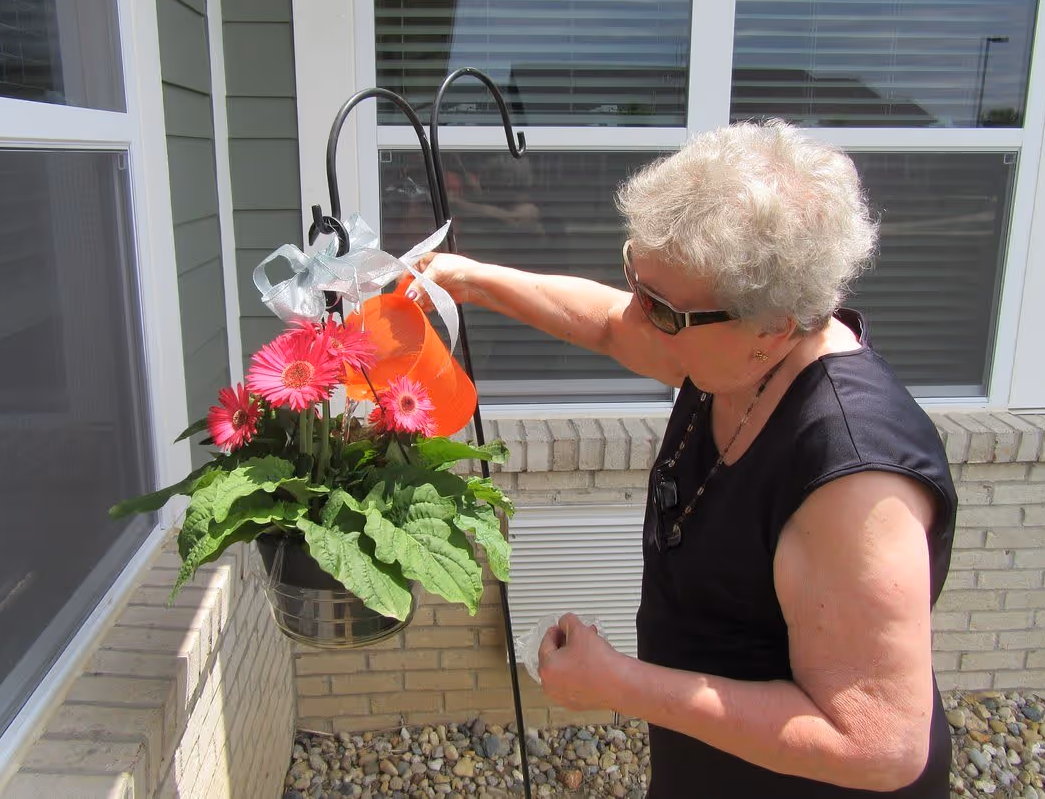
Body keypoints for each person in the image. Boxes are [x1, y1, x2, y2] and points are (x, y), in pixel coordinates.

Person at [404, 121, 956, 797]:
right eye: (638, 273)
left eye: (662, 308)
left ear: (772, 327)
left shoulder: (854, 478)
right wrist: (472, 281)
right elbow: (608, 323)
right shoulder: (735, 349)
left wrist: (621, 685)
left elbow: (880, 745)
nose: (638, 316)